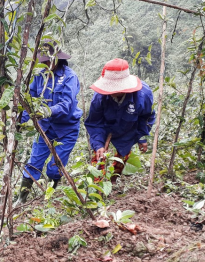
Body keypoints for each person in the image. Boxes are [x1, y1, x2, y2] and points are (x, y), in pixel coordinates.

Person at [15, 41, 83, 205]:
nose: (46, 64)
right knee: (34, 163)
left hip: (66, 129)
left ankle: (49, 197)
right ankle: (21, 200)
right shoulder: (39, 78)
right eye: (43, 62)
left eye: (48, 61)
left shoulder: (70, 77)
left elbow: (66, 104)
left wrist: (48, 111)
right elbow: (28, 104)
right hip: (45, 128)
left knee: (55, 166)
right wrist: (19, 123)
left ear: (57, 59)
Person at [84, 58, 156, 182]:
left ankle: (112, 181)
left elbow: (146, 116)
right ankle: (96, 191)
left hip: (128, 129)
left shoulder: (143, 94)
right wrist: (99, 144)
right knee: (98, 159)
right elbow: (95, 122)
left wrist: (142, 137)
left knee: (121, 159)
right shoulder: (99, 97)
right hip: (105, 128)